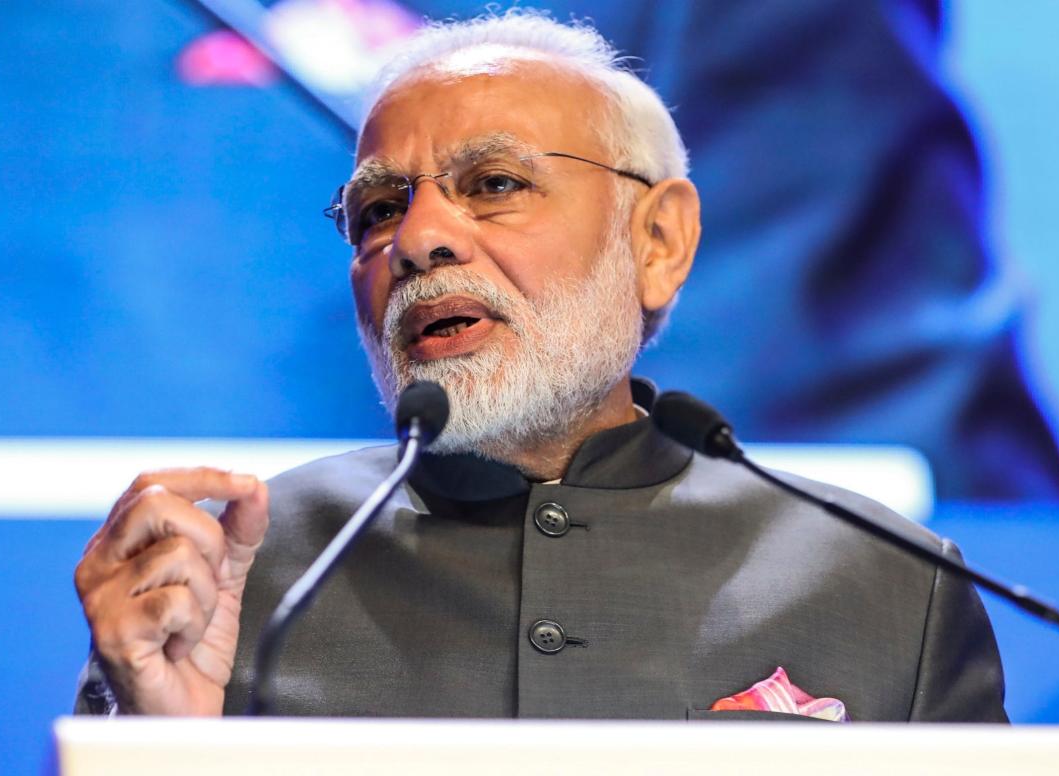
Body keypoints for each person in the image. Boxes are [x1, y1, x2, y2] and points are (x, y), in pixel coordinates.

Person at [75, 10, 1006, 721]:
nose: (420, 239)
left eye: (495, 185)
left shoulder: (885, 582)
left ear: (659, 241)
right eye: (378, 209)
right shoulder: (239, 580)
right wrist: (165, 744)